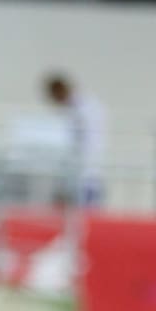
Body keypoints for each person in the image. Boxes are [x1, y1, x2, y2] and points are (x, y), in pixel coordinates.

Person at [43, 73, 107, 209]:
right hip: (78, 169)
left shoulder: (85, 108)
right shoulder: (74, 108)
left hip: (86, 170)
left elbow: (85, 141)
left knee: (86, 213)